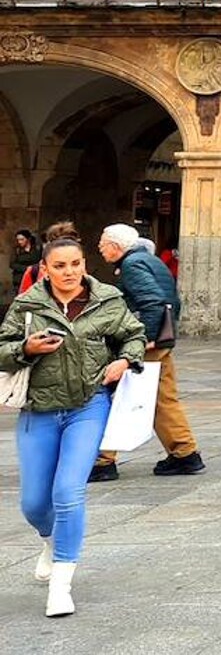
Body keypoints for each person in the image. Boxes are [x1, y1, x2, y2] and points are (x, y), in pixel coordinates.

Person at [0, 235, 148, 617]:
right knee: (34, 503)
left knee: (68, 492)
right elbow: (3, 349)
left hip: (88, 406)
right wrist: (26, 349)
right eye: (60, 266)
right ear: (45, 269)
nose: (70, 272)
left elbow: (135, 334)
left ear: (85, 264)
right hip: (38, 410)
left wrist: (125, 361)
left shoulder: (107, 300)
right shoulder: (28, 304)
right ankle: (49, 541)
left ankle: (61, 585)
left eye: (76, 264)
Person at [91, 224, 202, 482]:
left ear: (116, 247)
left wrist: (146, 340)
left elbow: (152, 301)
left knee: (115, 394)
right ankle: (185, 453)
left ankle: (102, 461)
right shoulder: (148, 260)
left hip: (145, 343)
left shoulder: (132, 265)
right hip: (162, 340)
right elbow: (173, 300)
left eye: (103, 242)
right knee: (163, 398)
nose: (99, 247)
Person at [10, 229, 39, 298]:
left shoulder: (37, 249)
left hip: (34, 278)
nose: (19, 242)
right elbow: (12, 264)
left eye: (22, 239)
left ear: (28, 239)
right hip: (19, 279)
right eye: (18, 240)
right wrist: (26, 268)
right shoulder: (17, 250)